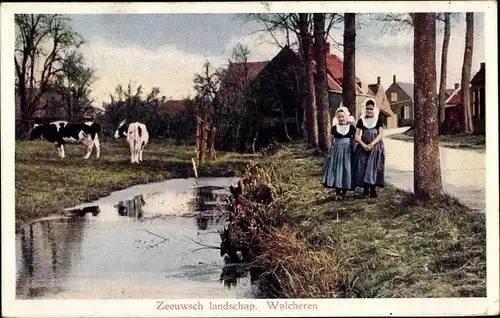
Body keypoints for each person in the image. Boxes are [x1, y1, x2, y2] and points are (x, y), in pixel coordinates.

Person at [351, 98, 386, 198]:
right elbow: (356, 136)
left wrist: (372, 144)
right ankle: (365, 189)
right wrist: (363, 145)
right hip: (363, 146)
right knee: (363, 166)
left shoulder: (378, 120)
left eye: (371, 109)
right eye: (367, 109)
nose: (369, 111)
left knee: (373, 167)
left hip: (375, 146)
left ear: (374, 109)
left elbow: (380, 134)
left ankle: (373, 189)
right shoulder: (361, 121)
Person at [322, 106, 356, 200]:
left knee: (346, 169)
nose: (341, 119)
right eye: (339, 117)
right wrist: (330, 151)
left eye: (343, 116)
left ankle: (344, 191)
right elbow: (332, 140)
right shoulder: (334, 128)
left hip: (347, 151)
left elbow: (353, 140)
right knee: (337, 170)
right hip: (337, 151)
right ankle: (338, 192)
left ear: (346, 117)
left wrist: (354, 150)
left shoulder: (351, 128)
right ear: (337, 118)